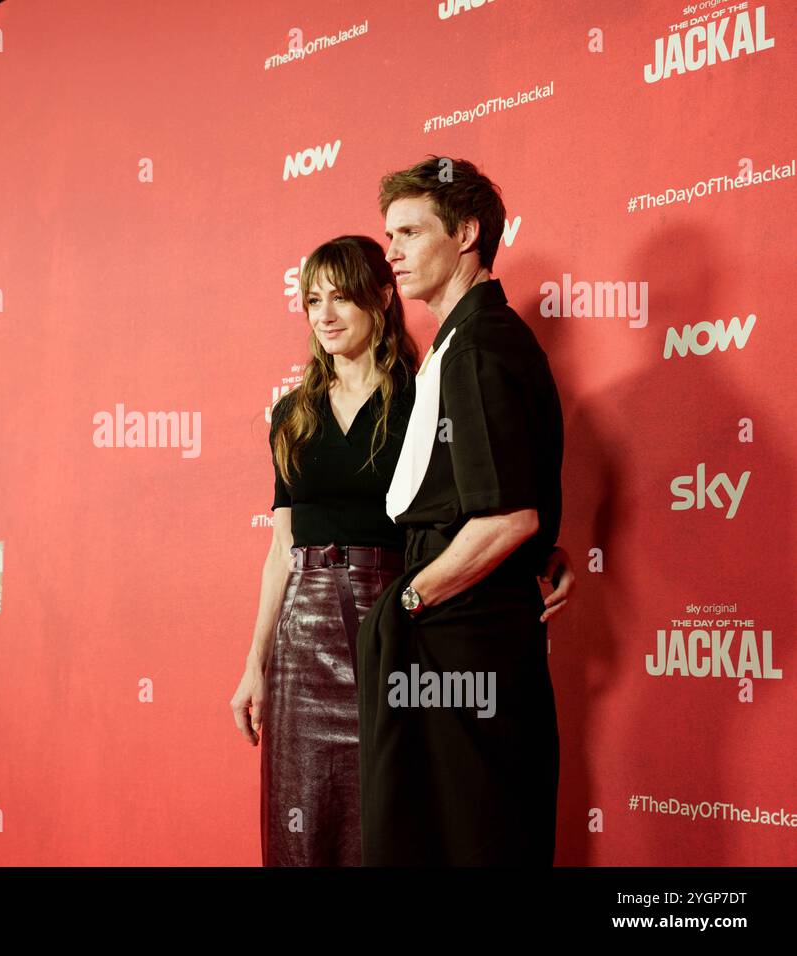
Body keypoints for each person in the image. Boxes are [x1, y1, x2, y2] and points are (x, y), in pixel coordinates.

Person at [229, 235, 573, 867]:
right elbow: (281, 550)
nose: (325, 315)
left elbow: (478, 502)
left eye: (341, 297)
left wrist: (544, 555)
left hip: (393, 621)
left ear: (382, 299)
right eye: (312, 300)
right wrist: (256, 660)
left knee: (388, 819)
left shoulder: (421, 397)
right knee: (301, 828)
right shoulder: (291, 415)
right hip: (302, 638)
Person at [356, 155, 566, 865]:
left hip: (457, 633)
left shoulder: (479, 346)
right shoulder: (461, 344)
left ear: (467, 232)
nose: (393, 252)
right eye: (390, 235)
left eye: (410, 232)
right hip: (459, 627)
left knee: (462, 835)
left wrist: (413, 598)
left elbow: (509, 517)